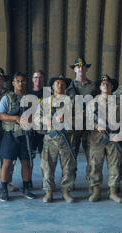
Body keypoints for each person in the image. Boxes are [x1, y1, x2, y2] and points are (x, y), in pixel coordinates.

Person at [34, 73, 76, 203]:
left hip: (66, 139)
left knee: (68, 168)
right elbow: (35, 120)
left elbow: (81, 120)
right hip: (50, 140)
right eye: (57, 83)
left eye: (63, 84)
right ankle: (49, 191)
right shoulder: (45, 102)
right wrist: (45, 120)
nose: (60, 85)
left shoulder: (71, 102)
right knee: (47, 167)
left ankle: (66, 191)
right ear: (52, 86)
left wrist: (67, 119)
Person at [0, 72, 36, 201]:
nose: (21, 83)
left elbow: (35, 115)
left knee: (26, 162)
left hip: (26, 134)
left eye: (23, 81)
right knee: (7, 162)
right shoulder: (7, 98)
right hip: (11, 134)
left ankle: (26, 188)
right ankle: (4, 189)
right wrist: (16, 118)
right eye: (18, 81)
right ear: (13, 83)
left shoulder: (30, 98)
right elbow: (1, 115)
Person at [87, 75, 122, 203]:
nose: (106, 86)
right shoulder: (93, 103)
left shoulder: (119, 102)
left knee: (115, 165)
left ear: (112, 87)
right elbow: (86, 120)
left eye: (108, 84)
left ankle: (113, 191)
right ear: (99, 87)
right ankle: (96, 190)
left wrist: (120, 133)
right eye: (103, 84)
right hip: (97, 139)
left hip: (114, 138)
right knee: (95, 165)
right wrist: (97, 126)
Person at [65, 57, 99, 189]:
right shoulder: (68, 87)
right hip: (74, 126)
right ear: (74, 69)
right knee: (70, 155)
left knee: (92, 155)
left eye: (83, 66)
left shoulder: (94, 86)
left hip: (89, 126)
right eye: (77, 66)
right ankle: (68, 183)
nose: (80, 69)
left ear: (86, 69)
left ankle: (92, 183)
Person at [29, 70, 46, 187]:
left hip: (44, 131)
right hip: (30, 131)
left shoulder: (49, 93)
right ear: (32, 79)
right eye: (35, 78)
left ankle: (46, 181)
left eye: (40, 78)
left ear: (43, 79)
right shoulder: (27, 95)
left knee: (44, 158)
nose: (37, 80)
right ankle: (28, 181)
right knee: (29, 158)